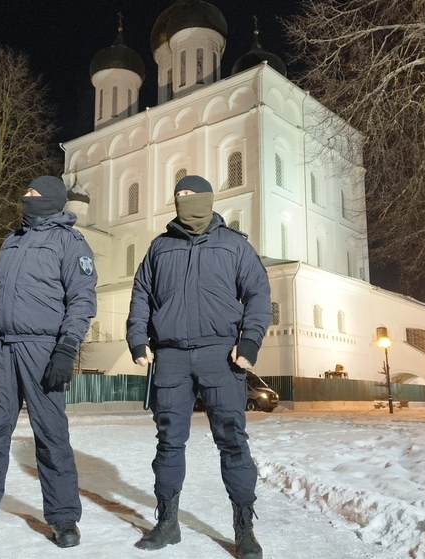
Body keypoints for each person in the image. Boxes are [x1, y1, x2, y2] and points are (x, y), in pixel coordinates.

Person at [126, 175, 271, 559]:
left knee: (233, 442)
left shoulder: (234, 245)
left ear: (208, 199)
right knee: (169, 442)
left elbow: (258, 292)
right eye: (178, 195)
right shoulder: (160, 247)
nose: (183, 200)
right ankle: (167, 522)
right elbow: (141, 293)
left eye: (191, 195)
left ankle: (244, 529)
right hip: (170, 357)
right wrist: (137, 338)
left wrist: (250, 340)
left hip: (221, 356)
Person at [0, 176, 97, 551]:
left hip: (44, 349)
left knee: (51, 436)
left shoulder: (70, 242)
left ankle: (64, 518)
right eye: (25, 191)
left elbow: (82, 300)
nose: (25, 197)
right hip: (3, 350)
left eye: (32, 193)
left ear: (50, 200)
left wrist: (66, 349)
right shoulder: (11, 241)